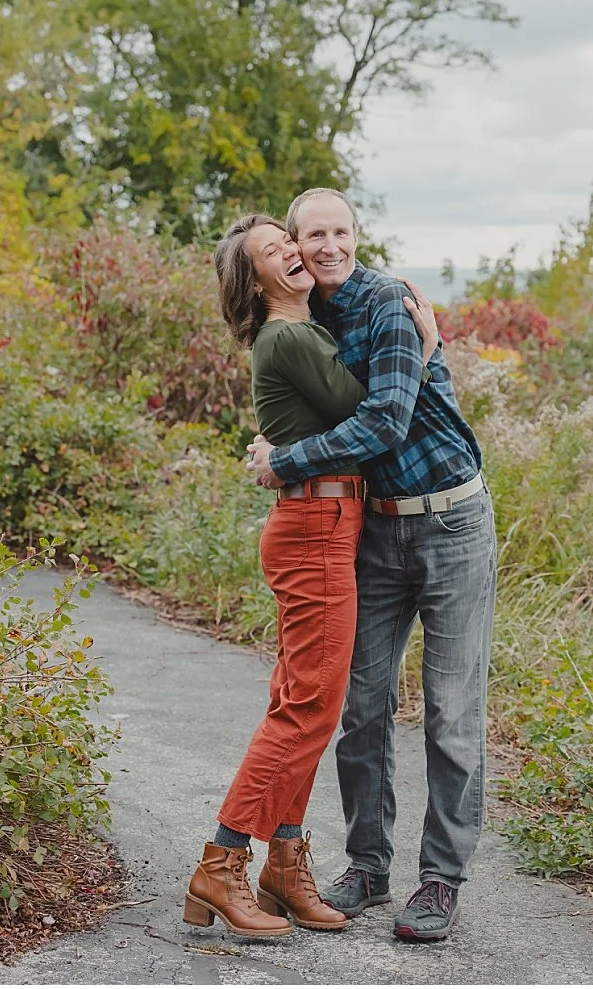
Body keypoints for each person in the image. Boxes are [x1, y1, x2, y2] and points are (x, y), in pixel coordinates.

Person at [249, 188, 495, 945]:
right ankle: (367, 864)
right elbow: (298, 397)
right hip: (375, 530)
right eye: (312, 234)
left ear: (357, 235)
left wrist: (285, 460)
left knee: (451, 711)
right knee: (361, 705)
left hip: (451, 519)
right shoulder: (303, 320)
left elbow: (385, 421)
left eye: (340, 231)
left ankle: (441, 878)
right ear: (294, 243)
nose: (328, 246)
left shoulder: (388, 301)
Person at [192, 213, 439, 941]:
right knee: (307, 709)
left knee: (305, 700)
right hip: (316, 526)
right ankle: (222, 860)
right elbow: (375, 411)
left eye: (286, 241)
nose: (293, 252)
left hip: (325, 520)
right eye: (272, 251)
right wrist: (422, 350)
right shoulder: (291, 336)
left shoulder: (303, 329)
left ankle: (284, 860)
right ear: (255, 280)